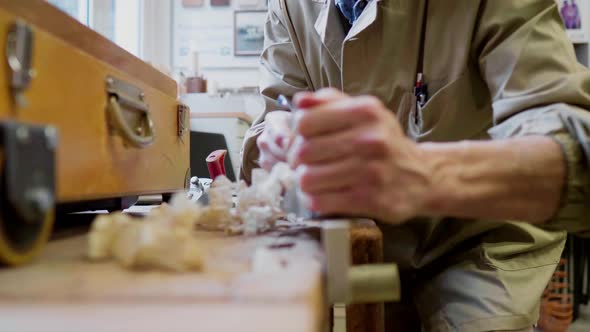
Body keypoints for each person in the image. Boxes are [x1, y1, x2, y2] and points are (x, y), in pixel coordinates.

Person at [240, 1, 590, 331]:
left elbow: (574, 151)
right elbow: (278, 108)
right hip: (365, 245)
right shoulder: (287, 5)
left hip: (480, 242)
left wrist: (426, 174)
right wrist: (278, 134)